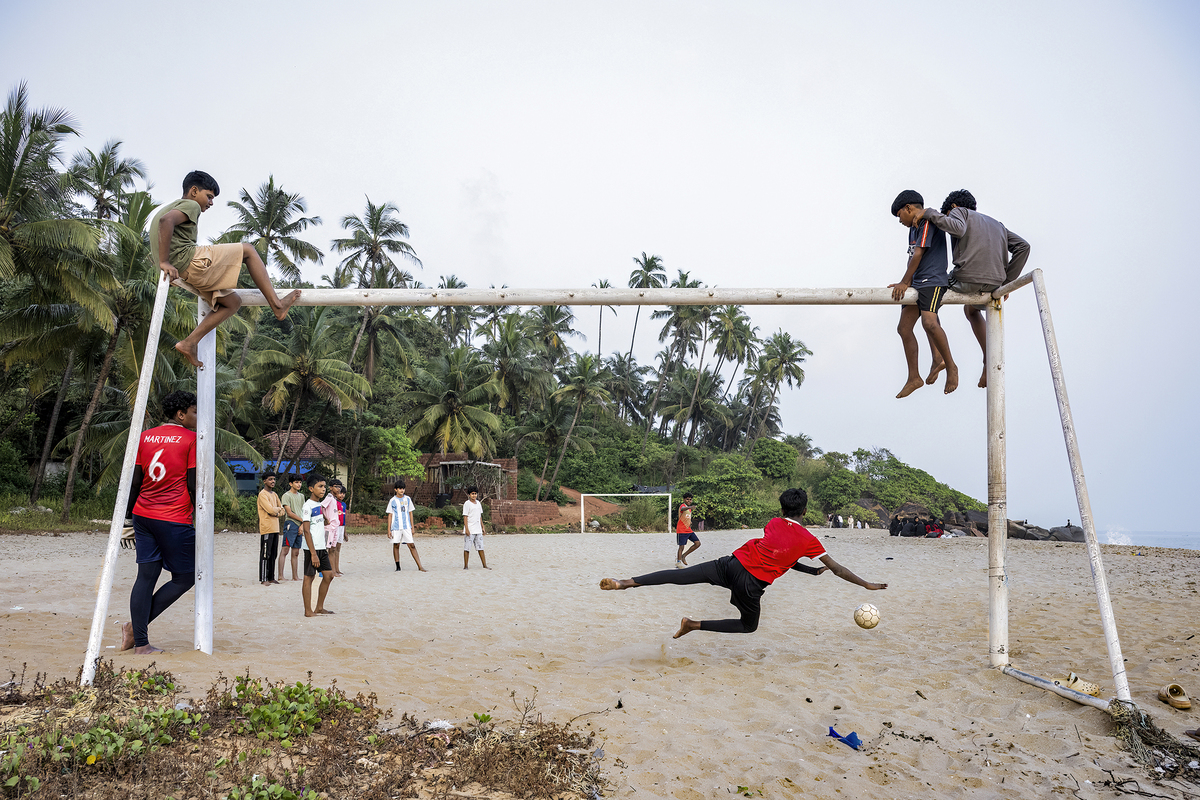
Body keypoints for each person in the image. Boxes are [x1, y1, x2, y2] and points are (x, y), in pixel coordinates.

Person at [599, 488, 887, 639]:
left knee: (682, 577)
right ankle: (693, 624)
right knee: (748, 627)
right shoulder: (809, 539)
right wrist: (866, 584)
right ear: (805, 511)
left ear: (782, 508)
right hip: (750, 584)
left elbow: (779, 554)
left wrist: (809, 570)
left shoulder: (773, 523)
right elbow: (837, 569)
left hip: (731, 564)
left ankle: (627, 582)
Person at [150, 170, 300, 369]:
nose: (211, 203)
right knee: (248, 250)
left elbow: (163, 223)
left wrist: (166, 262)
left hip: (185, 271)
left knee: (232, 302)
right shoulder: (190, 204)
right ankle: (278, 306)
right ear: (194, 191)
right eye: (209, 196)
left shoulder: (169, 207)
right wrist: (165, 262)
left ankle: (189, 342)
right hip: (189, 261)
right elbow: (166, 222)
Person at [916, 190, 1030, 389]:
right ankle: (988, 361)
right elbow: (1024, 247)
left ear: (953, 207)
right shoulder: (998, 224)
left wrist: (929, 213)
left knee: (928, 293)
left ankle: (938, 357)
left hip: (967, 277)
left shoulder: (959, 212)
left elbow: (958, 229)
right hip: (994, 283)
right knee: (971, 309)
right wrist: (1006, 283)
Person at [120, 391, 199, 654]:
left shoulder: (145, 437)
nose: (197, 417)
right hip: (173, 517)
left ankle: (139, 640)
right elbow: (192, 483)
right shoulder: (191, 439)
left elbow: (136, 480)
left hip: (143, 515)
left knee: (146, 576)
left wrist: (127, 518)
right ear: (181, 414)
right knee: (185, 577)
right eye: (194, 412)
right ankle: (134, 630)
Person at [889, 190, 958, 398]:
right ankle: (914, 377)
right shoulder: (913, 228)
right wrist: (906, 282)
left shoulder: (927, 221)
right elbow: (913, 256)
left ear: (909, 209)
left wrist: (904, 281)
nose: (900, 220)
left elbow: (919, 254)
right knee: (904, 328)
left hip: (933, 280)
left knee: (929, 322)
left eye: (900, 215)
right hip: (917, 282)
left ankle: (951, 367)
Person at [300, 473, 335, 616]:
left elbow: (322, 520)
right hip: (311, 548)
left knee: (329, 575)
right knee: (309, 577)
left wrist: (325, 519)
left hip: (321, 547)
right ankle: (308, 610)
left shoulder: (318, 505)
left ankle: (319, 607)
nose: (323, 489)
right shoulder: (307, 506)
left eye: (324, 487)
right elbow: (307, 531)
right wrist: (313, 554)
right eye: (320, 486)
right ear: (310, 488)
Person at [386, 480, 425, 571]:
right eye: (400, 488)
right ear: (396, 489)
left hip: (406, 526)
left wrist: (412, 527)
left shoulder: (407, 499)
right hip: (396, 526)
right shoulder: (392, 501)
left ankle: (420, 566)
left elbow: (410, 513)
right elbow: (390, 515)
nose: (402, 490)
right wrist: (389, 530)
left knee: (411, 545)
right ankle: (398, 566)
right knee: (396, 545)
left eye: (403, 488)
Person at [256, 471, 286, 586]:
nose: (273, 481)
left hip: (276, 529)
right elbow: (270, 510)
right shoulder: (262, 494)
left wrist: (277, 512)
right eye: (270, 479)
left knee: (273, 554)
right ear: (264, 481)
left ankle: (271, 577)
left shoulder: (275, 495)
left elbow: (282, 510)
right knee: (265, 554)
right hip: (267, 528)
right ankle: (264, 578)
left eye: (274, 479)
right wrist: (276, 510)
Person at [278, 475, 305, 581]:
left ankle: (295, 576)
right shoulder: (286, 496)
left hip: (300, 524)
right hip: (291, 524)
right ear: (291, 483)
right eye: (296, 482)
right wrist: (302, 521)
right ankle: (281, 575)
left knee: (296, 552)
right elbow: (289, 512)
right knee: (285, 550)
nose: (299, 484)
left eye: (300, 482)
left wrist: (302, 525)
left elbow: (303, 511)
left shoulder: (302, 496)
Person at [462, 486, 490, 569]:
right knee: (467, 548)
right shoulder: (467, 504)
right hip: (470, 528)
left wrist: (482, 527)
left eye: (475, 494)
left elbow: (480, 516)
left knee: (480, 547)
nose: (474, 495)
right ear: (469, 495)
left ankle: (484, 565)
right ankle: (466, 566)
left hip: (478, 529)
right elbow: (465, 516)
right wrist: (466, 529)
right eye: (472, 494)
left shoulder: (478, 503)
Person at [320, 478, 341, 576]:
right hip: (329, 527)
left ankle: (333, 571)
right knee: (326, 549)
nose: (338, 489)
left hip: (335, 526)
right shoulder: (328, 497)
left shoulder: (334, 498)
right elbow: (321, 507)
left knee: (333, 549)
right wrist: (325, 518)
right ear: (331, 487)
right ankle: (325, 571)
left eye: (340, 487)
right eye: (336, 487)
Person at [675, 493, 700, 567]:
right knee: (681, 547)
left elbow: (687, 517)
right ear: (684, 499)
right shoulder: (683, 506)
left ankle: (684, 556)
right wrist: (690, 507)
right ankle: (678, 562)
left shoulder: (689, 509)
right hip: (681, 530)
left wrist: (690, 522)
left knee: (697, 543)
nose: (689, 500)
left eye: (690, 499)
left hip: (688, 529)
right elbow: (682, 509)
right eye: (687, 499)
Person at [330, 481, 348, 577]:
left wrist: (345, 533)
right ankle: (333, 570)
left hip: (341, 527)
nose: (342, 495)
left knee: (338, 549)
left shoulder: (344, 504)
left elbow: (344, 519)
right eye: (340, 493)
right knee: (333, 549)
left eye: (343, 493)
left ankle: (337, 569)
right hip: (335, 527)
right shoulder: (334, 502)